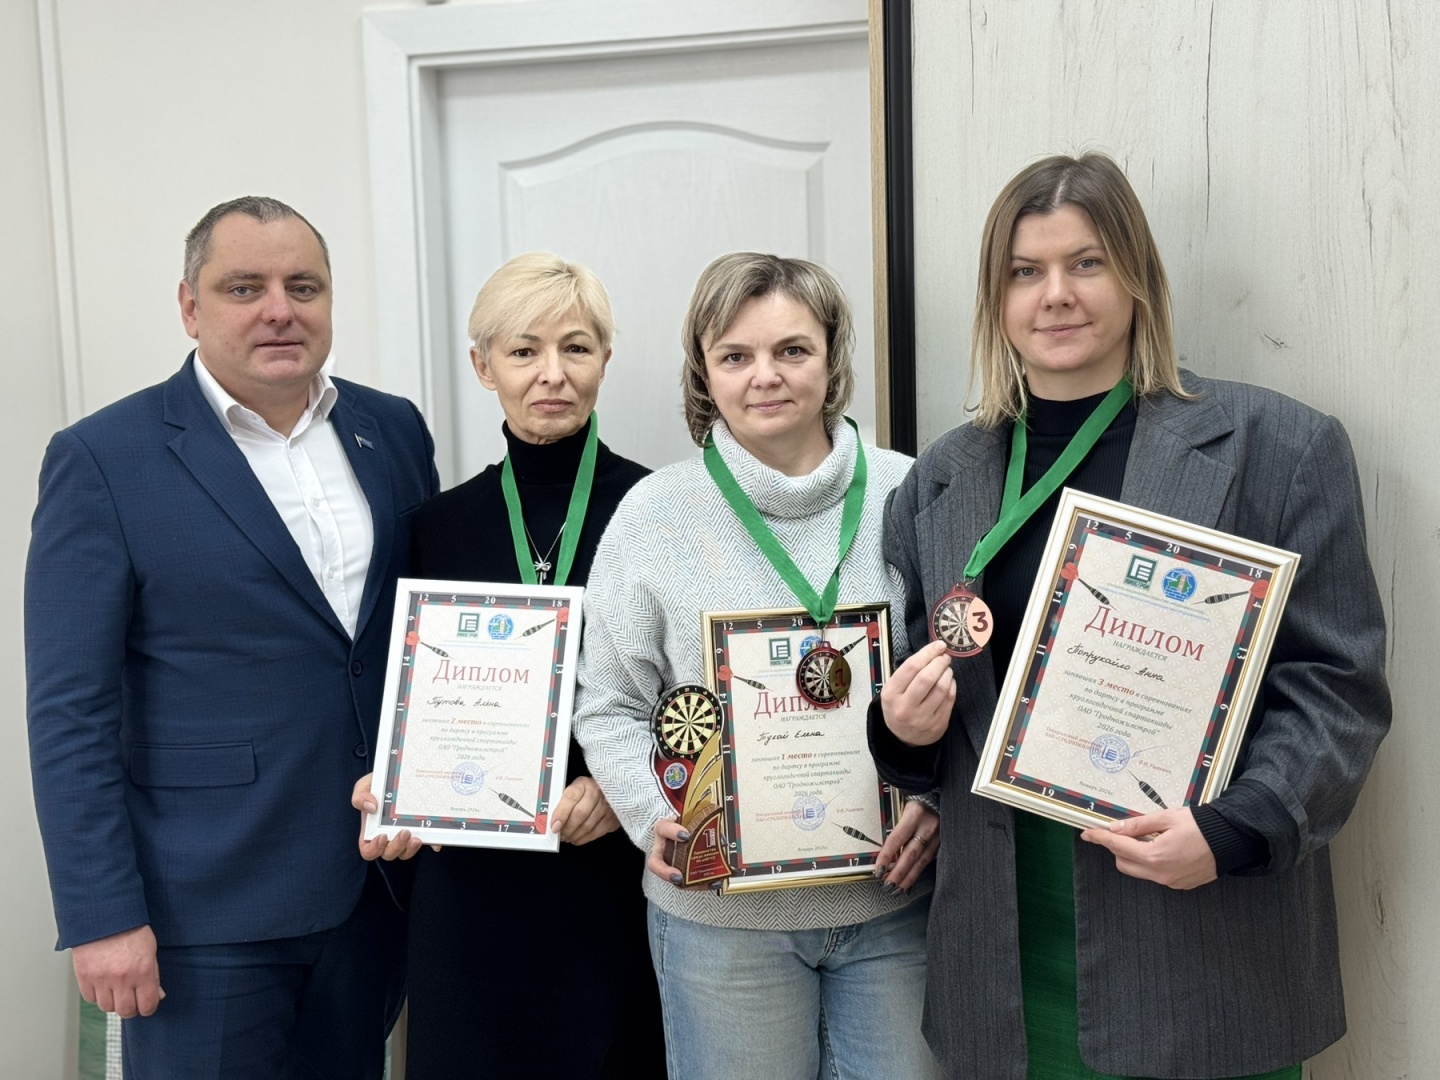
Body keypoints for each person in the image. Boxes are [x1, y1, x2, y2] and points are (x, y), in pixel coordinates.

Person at [870, 152, 1391, 1079]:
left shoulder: (1278, 447)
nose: (1056, 295)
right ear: (996, 299)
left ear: (1138, 277)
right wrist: (903, 735)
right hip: (1003, 951)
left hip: (1198, 931)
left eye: (1087, 263)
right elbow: (935, 694)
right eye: (1025, 272)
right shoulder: (939, 480)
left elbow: (1335, 688)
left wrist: (1237, 830)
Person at [25, 196, 440, 1079]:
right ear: (190, 306)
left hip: (373, 893)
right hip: (203, 912)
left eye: (303, 287)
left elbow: (417, 643)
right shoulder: (103, 459)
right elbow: (69, 712)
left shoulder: (392, 429)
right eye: (244, 288)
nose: (279, 310)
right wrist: (102, 915)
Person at [573, 253, 943, 1080]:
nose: (765, 376)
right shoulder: (652, 516)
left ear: (832, 358)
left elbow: (963, 679)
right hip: (721, 923)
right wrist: (653, 815)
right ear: (704, 372)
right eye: (735, 355)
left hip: (893, 907)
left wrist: (934, 800)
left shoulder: (912, 491)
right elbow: (609, 704)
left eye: (792, 350)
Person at [351, 252, 663, 1078]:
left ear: (605, 359)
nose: (551, 374)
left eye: (576, 347)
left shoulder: (662, 512)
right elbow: (397, 695)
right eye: (524, 351)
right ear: (482, 366)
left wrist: (626, 786)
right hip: (470, 892)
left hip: (612, 874)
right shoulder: (435, 526)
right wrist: (394, 780)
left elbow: (698, 696)